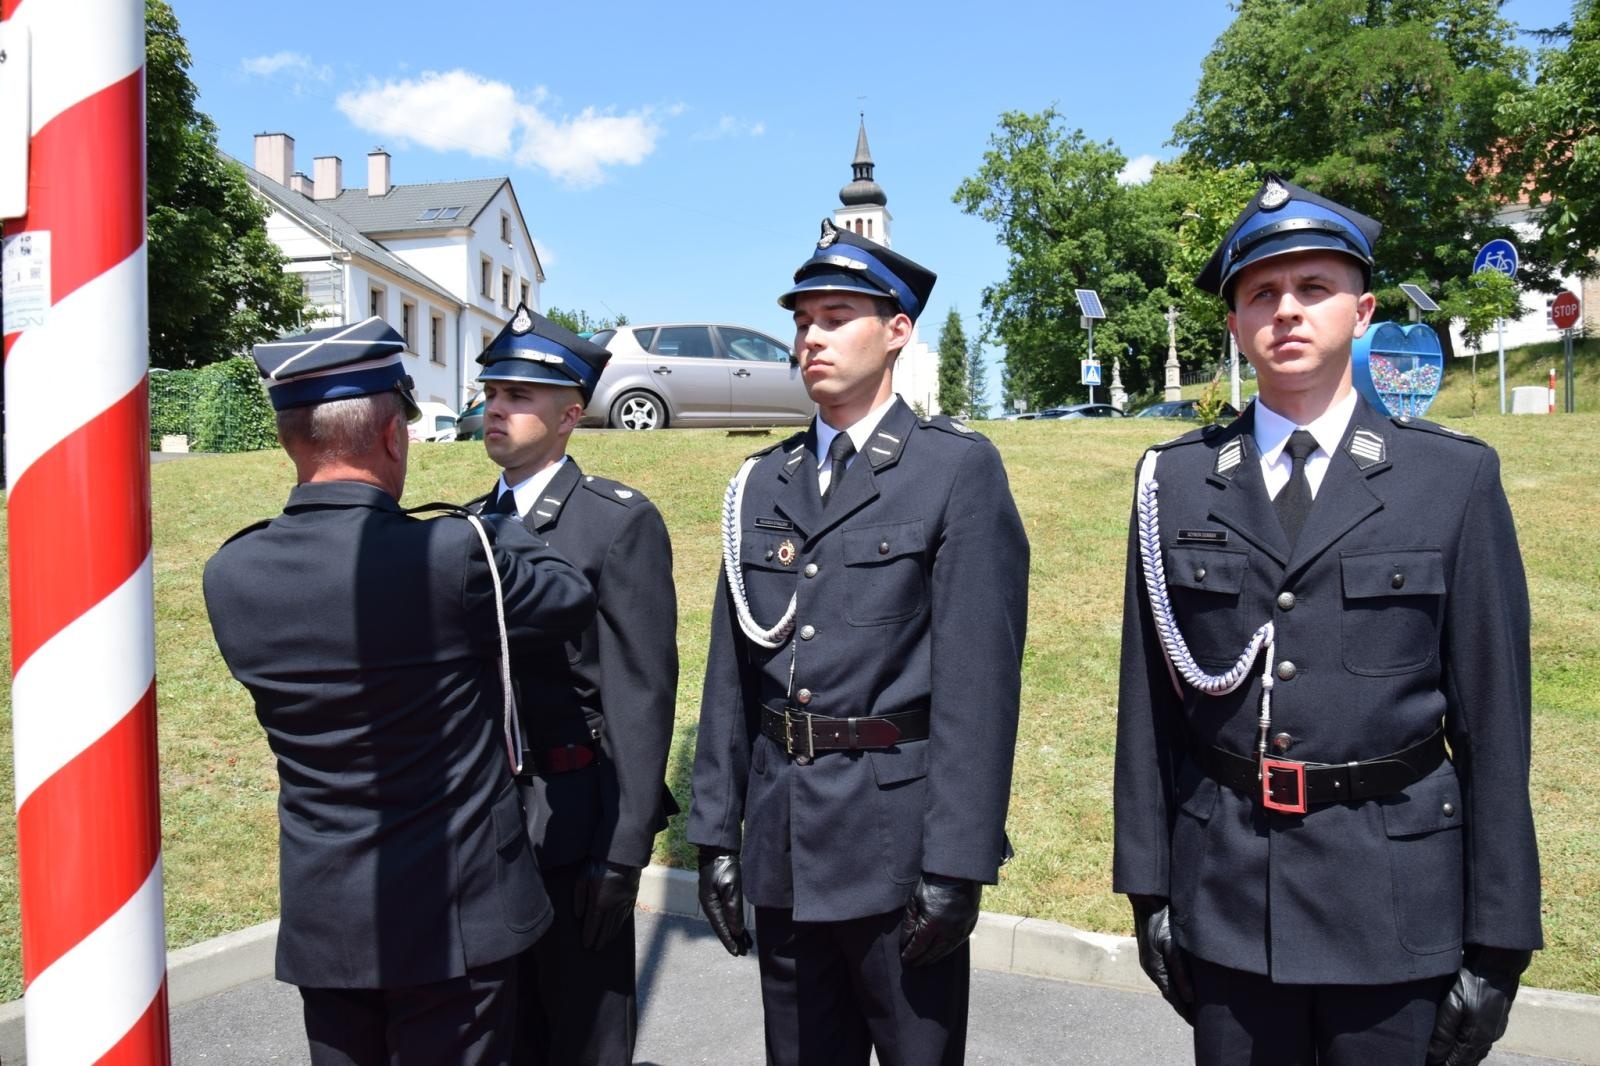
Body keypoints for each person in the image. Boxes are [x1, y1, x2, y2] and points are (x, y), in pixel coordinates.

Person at [1113, 177, 1543, 1066]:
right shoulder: (1178, 482)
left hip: (1393, 902)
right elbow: (1146, 712)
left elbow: (1496, 723)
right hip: (1228, 899)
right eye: (1261, 293)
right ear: (1234, 324)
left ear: (1363, 308)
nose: (1288, 311)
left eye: (1314, 288)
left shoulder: (1448, 481)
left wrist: (1501, 939)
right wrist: (1148, 891)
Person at [203, 317, 595, 1065]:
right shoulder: (453, 554)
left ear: (293, 438)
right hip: (453, 922)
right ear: (393, 435)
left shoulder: (232, 574)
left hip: (329, 921)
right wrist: (493, 527)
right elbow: (567, 595)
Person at [688, 220, 1030, 1066]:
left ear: (897, 332)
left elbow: (979, 687)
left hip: (897, 846)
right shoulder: (762, 480)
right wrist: (715, 836)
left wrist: (958, 863)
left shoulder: (953, 470)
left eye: (836, 316)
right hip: (784, 840)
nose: (810, 337)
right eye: (803, 320)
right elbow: (731, 677)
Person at [468, 305, 679, 1065]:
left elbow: (642, 694)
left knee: (584, 1036)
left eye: (520, 396)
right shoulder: (461, 529)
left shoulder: (613, 523)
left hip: (575, 818)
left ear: (570, 414)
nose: (497, 407)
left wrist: (623, 852)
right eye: (493, 391)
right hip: (487, 827)